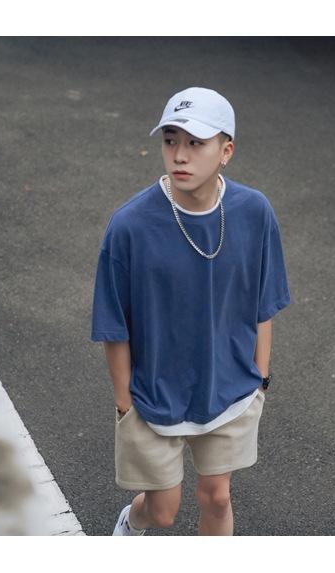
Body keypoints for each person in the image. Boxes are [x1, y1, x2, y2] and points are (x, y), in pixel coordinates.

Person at [90, 86, 292, 535]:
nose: (179, 155)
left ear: (226, 151)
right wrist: (124, 403)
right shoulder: (130, 225)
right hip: (153, 396)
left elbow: (264, 300)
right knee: (162, 511)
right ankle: (131, 522)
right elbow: (113, 323)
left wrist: (260, 377)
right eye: (170, 140)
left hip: (230, 388)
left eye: (196, 143)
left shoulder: (253, 212)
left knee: (217, 497)